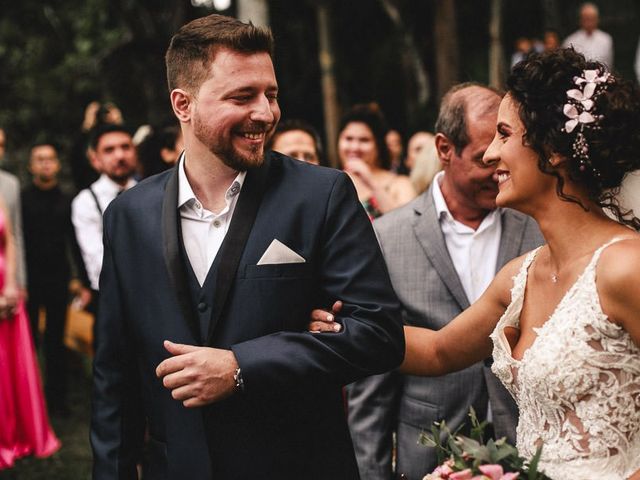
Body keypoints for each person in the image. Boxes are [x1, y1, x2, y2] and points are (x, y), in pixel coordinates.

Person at [90, 14, 404, 480]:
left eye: (271, 94)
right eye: (243, 96)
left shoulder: (322, 195)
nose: (266, 113)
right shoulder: (127, 216)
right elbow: (114, 379)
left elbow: (379, 335)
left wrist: (243, 365)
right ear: (183, 104)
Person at [314, 48, 640, 480]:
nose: (490, 155)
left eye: (504, 135)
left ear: (553, 150)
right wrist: (344, 328)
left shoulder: (625, 267)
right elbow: (438, 351)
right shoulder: (520, 277)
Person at [328, 83, 543, 480]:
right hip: (427, 458)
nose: (497, 169)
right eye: (483, 159)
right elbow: (371, 384)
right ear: (444, 149)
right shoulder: (386, 237)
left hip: (531, 454)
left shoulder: (539, 230)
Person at [22, 143, 91, 416]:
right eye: (39, 160)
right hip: (29, 281)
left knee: (55, 342)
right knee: (28, 344)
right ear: (31, 166)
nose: (45, 164)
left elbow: (76, 243)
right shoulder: (22, 198)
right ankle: (28, 400)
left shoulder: (67, 199)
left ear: (57, 165)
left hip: (58, 279)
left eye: (50, 159)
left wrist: (81, 280)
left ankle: (57, 401)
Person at [0, 196, 60, 469]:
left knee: (15, 365)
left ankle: (21, 433)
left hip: (7, 291)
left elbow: (9, 238)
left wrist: (11, 285)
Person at [71, 124, 137, 310]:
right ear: (95, 159)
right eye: (109, 150)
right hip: (110, 299)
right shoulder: (86, 201)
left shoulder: (154, 192)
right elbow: (96, 259)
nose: (120, 156)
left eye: (125, 147)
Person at [338, 104, 416, 219]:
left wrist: (371, 182)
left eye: (364, 140)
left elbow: (408, 225)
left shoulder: (400, 184)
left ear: (378, 145)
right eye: (348, 139)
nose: (354, 147)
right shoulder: (330, 182)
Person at [0, 127, 27, 294]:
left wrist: (19, 281)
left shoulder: (10, 184)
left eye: (1, 145)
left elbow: (15, 236)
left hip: (6, 277)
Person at [562, 2, 613, 67]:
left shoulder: (606, 39)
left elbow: (609, 64)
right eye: (586, 19)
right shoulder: (570, 40)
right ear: (581, 20)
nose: (589, 23)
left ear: (597, 19)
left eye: (592, 19)